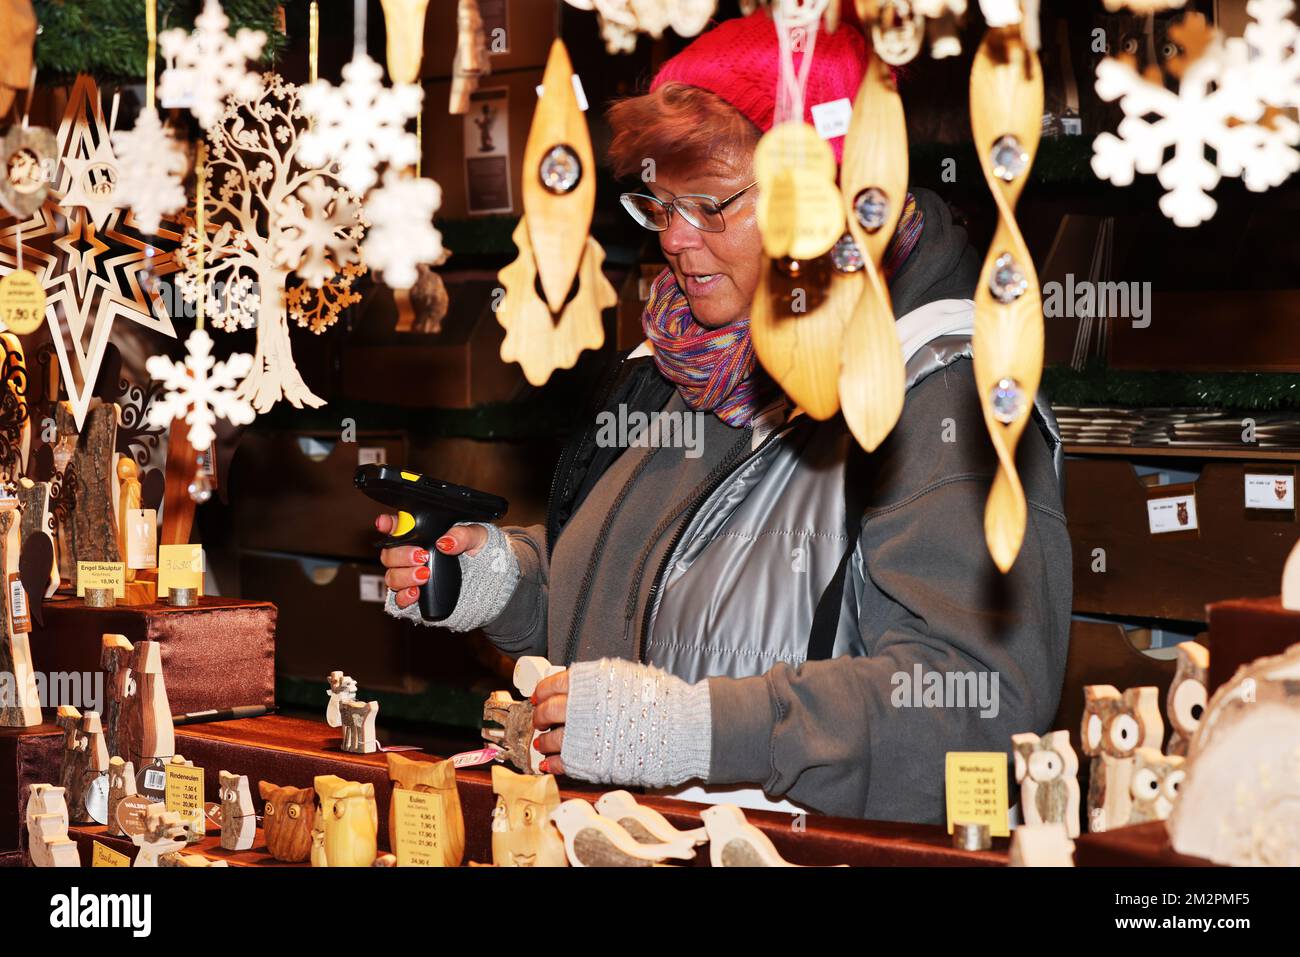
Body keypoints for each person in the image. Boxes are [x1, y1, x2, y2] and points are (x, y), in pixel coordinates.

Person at [378, 11, 1071, 823]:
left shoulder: (943, 390)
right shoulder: (689, 358)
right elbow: (659, 598)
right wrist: (509, 580)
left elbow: (977, 715)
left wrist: (704, 731)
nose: (674, 239)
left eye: (711, 204)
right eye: (659, 205)